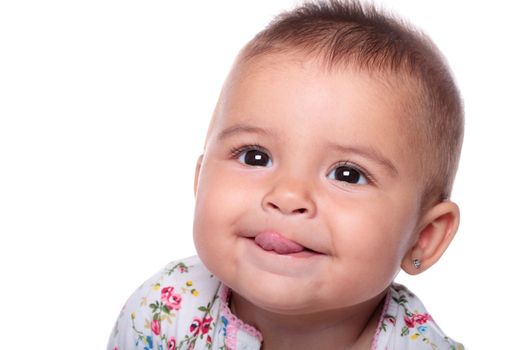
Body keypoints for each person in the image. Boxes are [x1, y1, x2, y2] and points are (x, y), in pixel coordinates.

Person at [107, 0, 464, 349]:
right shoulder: (164, 311)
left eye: (347, 174)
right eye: (255, 156)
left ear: (423, 237)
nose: (288, 195)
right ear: (200, 180)